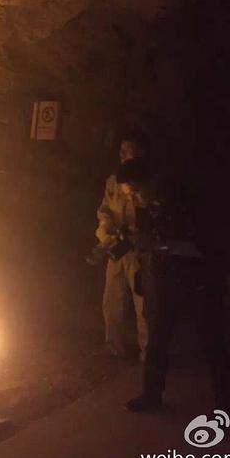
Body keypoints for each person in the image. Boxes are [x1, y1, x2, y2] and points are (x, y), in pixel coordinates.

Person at [116, 159, 230, 412]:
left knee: (211, 341)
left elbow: (203, 244)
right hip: (163, 280)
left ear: (152, 181)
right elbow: (146, 241)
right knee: (157, 339)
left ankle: (227, 406)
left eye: (135, 191)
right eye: (129, 195)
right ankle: (151, 395)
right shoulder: (146, 208)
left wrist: (160, 246)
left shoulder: (183, 199)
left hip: (198, 280)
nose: (134, 198)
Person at [94, 131, 150, 360]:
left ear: (140, 153)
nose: (122, 154)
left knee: (143, 303)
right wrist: (106, 231)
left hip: (139, 251)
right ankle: (113, 346)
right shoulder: (113, 181)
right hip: (117, 248)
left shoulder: (147, 182)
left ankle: (149, 352)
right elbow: (105, 210)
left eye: (128, 151)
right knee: (112, 300)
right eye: (122, 150)